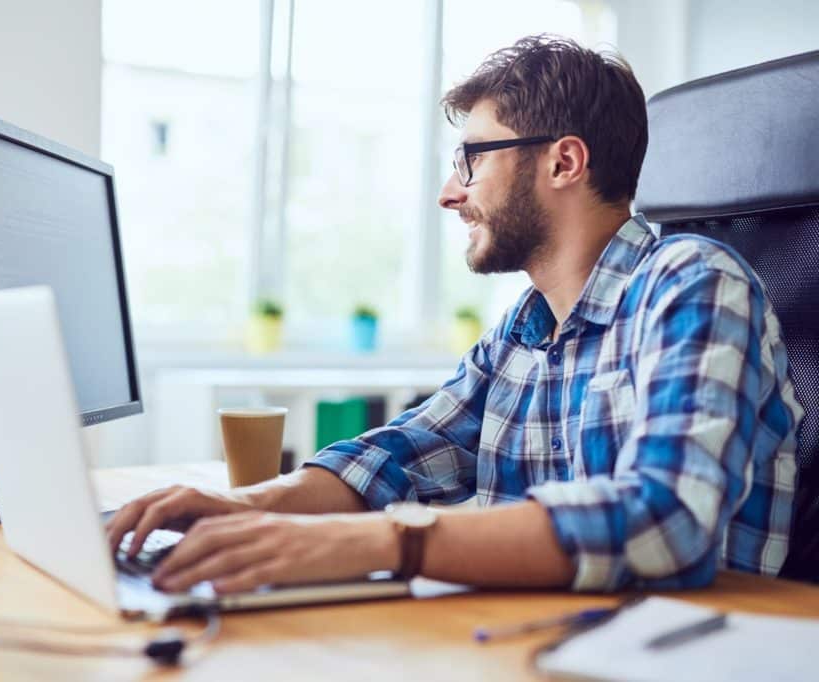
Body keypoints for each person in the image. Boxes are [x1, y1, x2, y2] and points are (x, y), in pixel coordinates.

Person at [106, 35, 803, 595]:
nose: (450, 193)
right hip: (536, 640)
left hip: (677, 653)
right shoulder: (526, 327)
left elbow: (666, 521)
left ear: (564, 162)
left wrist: (384, 541)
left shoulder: (694, 285)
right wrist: (249, 506)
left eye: (470, 160)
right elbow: (397, 456)